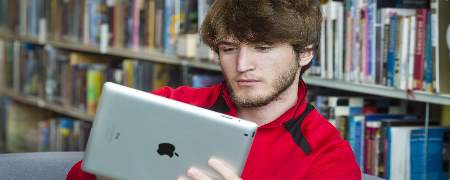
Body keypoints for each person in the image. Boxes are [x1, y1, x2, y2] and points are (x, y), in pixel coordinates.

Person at [67, 0, 361, 179]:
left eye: (262, 47)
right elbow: (79, 175)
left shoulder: (327, 156)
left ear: (305, 53)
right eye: (229, 48)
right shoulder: (168, 104)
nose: (243, 64)